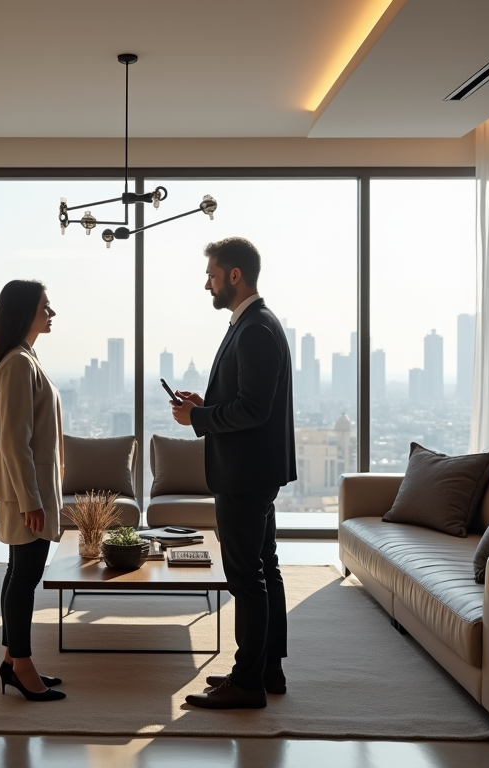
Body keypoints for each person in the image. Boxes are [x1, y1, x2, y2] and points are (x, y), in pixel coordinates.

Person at [170, 237, 296, 710]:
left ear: (235, 275)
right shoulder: (251, 325)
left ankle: (248, 684)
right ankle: (265, 669)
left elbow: (254, 409)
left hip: (244, 475)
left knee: (247, 578)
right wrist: (207, 406)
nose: (208, 283)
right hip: (254, 471)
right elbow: (247, 402)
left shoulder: (256, 329)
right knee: (264, 568)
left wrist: (199, 420)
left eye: (213, 274)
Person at [0, 279, 66, 702]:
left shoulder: (25, 358)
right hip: (24, 493)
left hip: (27, 488)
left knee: (19, 572)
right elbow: (15, 440)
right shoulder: (18, 363)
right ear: (24, 312)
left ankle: (13, 662)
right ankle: (23, 665)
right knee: (25, 576)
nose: (51, 314)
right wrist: (31, 500)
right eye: (44, 307)